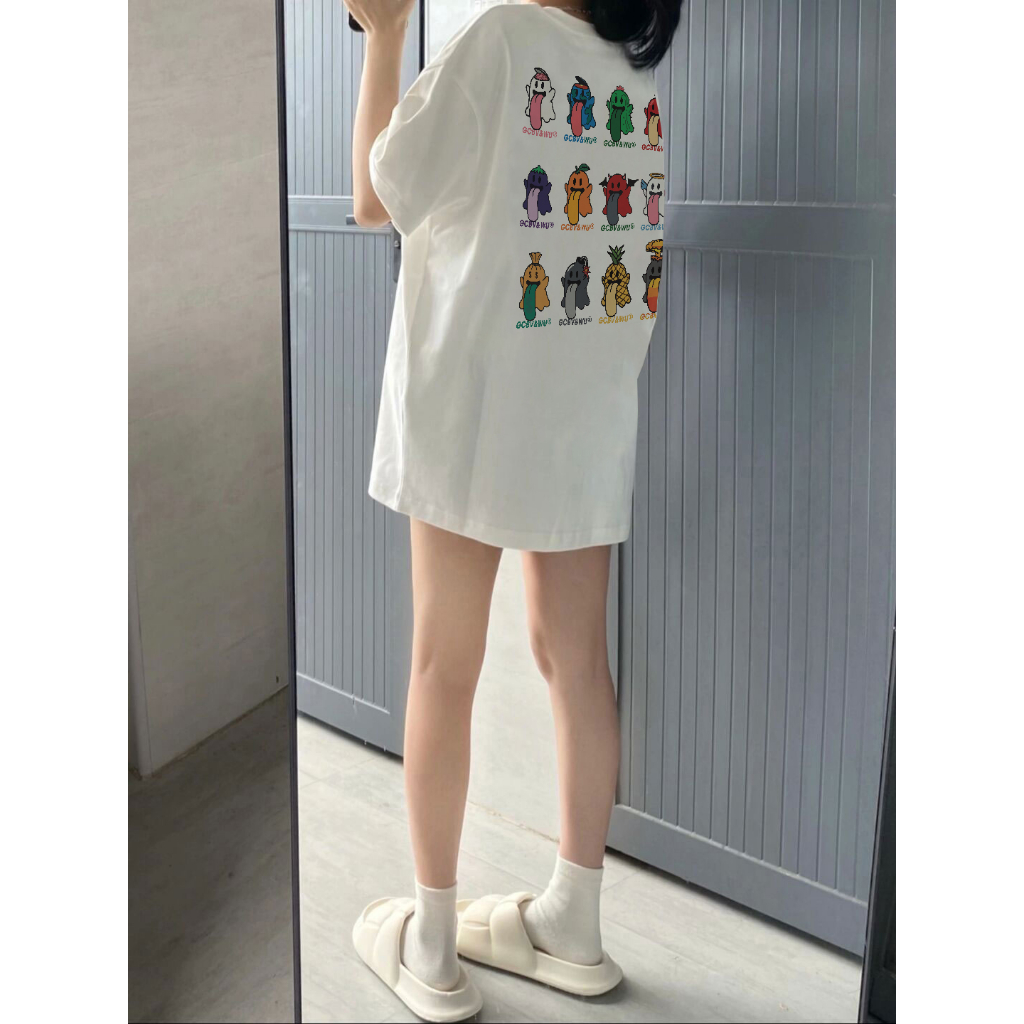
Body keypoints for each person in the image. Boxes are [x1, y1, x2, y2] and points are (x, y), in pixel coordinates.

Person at [345, 1, 681, 1018]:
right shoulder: (632, 81)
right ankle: (573, 920)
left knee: (442, 666)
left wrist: (384, 37)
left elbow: (375, 199)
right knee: (576, 663)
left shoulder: (497, 39)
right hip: (580, 413)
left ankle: (432, 947)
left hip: (474, 406)